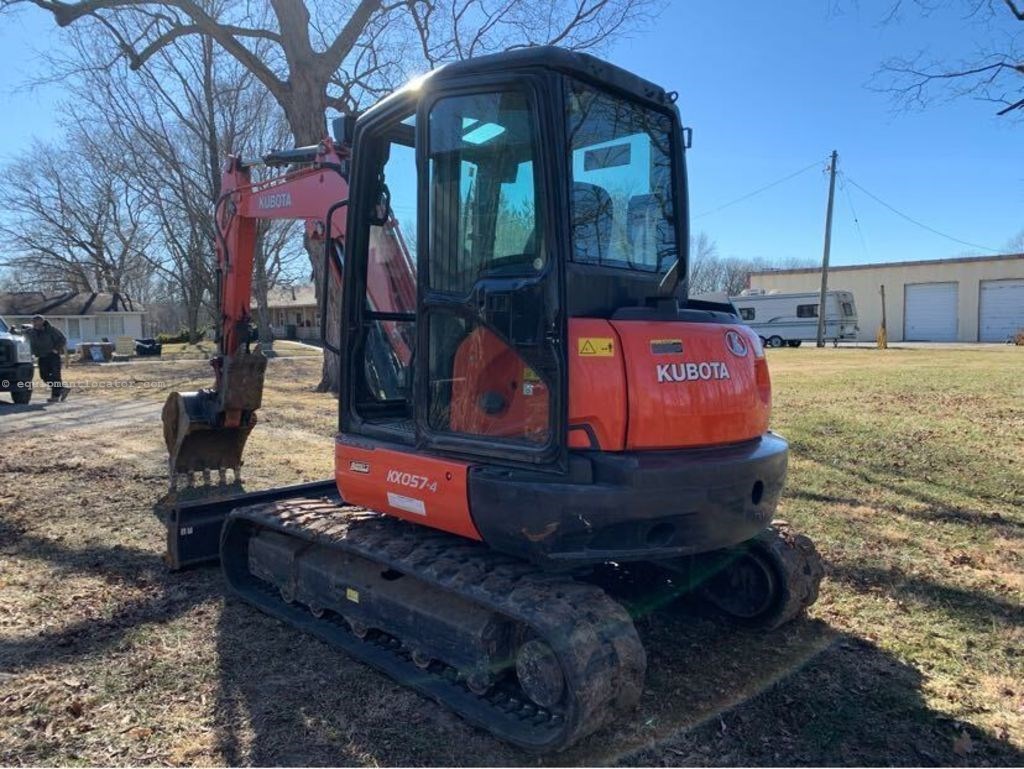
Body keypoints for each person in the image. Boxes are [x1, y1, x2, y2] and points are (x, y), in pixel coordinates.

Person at [22, 315, 69, 402]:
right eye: (33, 322)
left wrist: (55, 349)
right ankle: (62, 389)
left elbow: (62, 339)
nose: (35, 324)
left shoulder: (51, 330)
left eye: (37, 321)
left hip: (53, 356)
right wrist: (13, 331)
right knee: (44, 376)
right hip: (42, 356)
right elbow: (22, 332)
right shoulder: (32, 331)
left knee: (56, 376)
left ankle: (55, 396)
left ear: (42, 321)